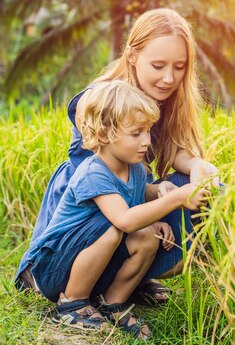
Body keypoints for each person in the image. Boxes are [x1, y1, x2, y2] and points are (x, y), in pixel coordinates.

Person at [16, 8, 220, 305]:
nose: (168, 78)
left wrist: (198, 166)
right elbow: (108, 195)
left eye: (179, 67)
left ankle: (131, 277)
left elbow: (175, 150)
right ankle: (80, 287)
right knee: (118, 225)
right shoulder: (101, 102)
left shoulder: (162, 101)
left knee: (208, 193)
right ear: (133, 56)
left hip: (128, 199)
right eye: (159, 65)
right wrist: (162, 200)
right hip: (92, 212)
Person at [25, 80, 209, 337]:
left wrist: (158, 191)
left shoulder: (133, 167)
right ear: (103, 134)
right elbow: (123, 219)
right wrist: (177, 197)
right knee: (112, 231)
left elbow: (136, 194)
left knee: (147, 237)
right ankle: (72, 303)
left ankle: (112, 302)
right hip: (55, 267)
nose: (146, 141)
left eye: (148, 131)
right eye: (136, 133)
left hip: (92, 263)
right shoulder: (93, 172)